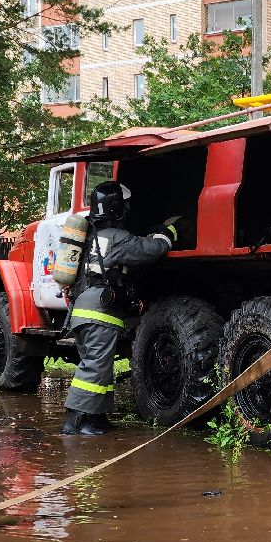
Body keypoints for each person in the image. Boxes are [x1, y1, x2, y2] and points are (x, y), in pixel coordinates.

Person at [62, 181, 177, 436]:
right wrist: (165, 234)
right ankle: (77, 422)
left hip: (82, 310)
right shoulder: (116, 239)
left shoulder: (90, 238)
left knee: (99, 365)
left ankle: (96, 418)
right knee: (94, 365)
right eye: (124, 206)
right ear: (117, 209)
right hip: (98, 313)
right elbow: (151, 251)